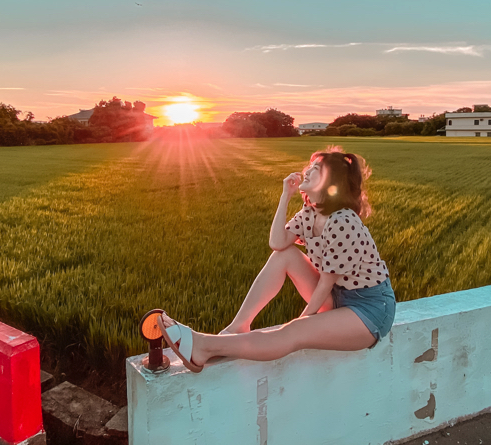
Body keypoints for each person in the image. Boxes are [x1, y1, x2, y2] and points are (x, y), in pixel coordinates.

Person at [151, 146, 396, 373]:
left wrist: (303, 323)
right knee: (285, 255)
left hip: (368, 308)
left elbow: (325, 283)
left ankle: (204, 347)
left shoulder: (343, 221)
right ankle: (238, 326)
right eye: (309, 167)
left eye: (316, 170)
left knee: (295, 332)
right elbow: (278, 243)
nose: (307, 171)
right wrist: (285, 196)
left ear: (332, 182)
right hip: (338, 296)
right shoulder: (311, 213)